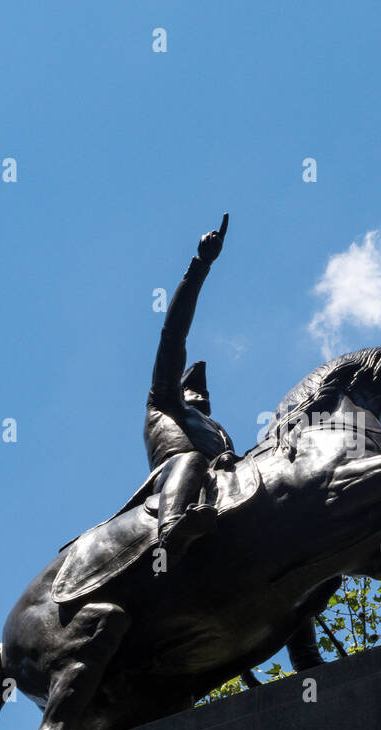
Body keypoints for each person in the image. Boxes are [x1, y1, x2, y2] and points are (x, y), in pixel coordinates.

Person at [143, 214, 235, 561]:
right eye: (194, 391)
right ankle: (170, 532)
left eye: (206, 394)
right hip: (174, 474)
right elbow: (172, 336)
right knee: (192, 459)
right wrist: (200, 266)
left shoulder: (217, 430)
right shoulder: (163, 402)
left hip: (217, 480)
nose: (203, 397)